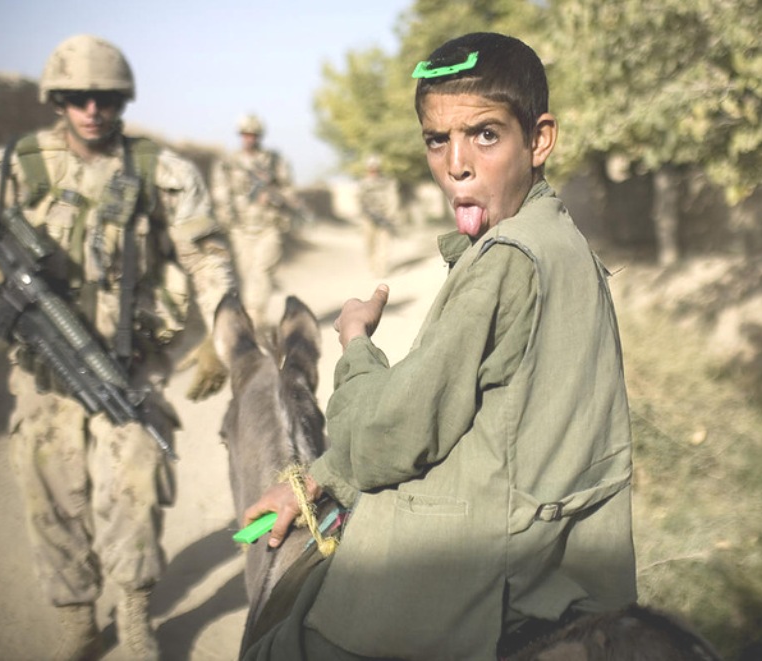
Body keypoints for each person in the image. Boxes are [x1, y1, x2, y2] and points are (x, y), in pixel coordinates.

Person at [239, 32, 637, 660]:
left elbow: (390, 439)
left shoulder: (506, 260)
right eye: (436, 139)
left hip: (485, 579)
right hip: (564, 569)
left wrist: (355, 344)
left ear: (539, 140)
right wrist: (320, 477)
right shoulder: (562, 241)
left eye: (485, 135)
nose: (456, 164)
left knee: (276, 648)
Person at [0, 34, 235, 661]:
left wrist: (222, 335)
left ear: (122, 100)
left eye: (105, 98)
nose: (92, 109)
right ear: (56, 100)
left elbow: (206, 258)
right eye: (76, 97)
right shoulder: (12, 166)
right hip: (42, 367)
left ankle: (134, 613)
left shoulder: (161, 173)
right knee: (48, 489)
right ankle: (76, 620)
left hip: (129, 366)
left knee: (136, 485)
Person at [210, 113, 300, 330]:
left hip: (268, 225)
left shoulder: (274, 161)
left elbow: (288, 190)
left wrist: (275, 198)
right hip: (240, 228)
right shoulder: (229, 163)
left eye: (253, 134)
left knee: (262, 270)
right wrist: (226, 219)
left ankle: (255, 316)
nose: (249, 138)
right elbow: (220, 193)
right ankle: (245, 318)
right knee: (244, 273)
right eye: (246, 134)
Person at [356, 154, 400, 277]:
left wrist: (390, 214)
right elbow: (359, 200)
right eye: (371, 167)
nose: (373, 169)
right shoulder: (363, 183)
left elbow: (392, 199)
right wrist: (365, 213)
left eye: (375, 167)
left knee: (384, 244)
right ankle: (372, 266)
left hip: (384, 217)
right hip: (368, 218)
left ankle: (381, 269)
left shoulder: (386, 182)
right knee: (370, 244)